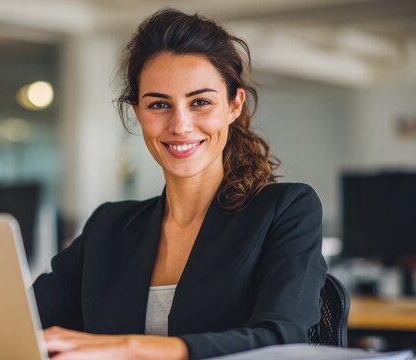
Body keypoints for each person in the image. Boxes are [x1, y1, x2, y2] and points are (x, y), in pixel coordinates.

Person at [33, 8, 327, 360]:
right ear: (137, 112)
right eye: (159, 104)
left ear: (234, 105)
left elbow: (283, 338)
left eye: (200, 102)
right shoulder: (108, 227)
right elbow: (22, 321)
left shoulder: (285, 209)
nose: (180, 125)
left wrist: (130, 347)